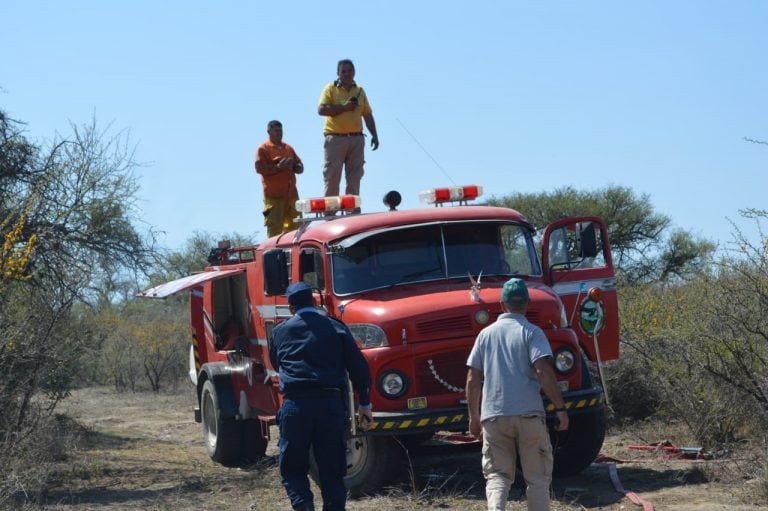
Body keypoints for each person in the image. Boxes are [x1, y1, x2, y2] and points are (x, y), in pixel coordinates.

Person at [465, 278, 569, 511]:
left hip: (494, 418)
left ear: (502, 304)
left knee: (498, 476)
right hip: (529, 416)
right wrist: (560, 409)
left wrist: (473, 417)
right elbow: (543, 371)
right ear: (527, 303)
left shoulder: (485, 335)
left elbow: (473, 380)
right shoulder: (532, 333)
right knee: (538, 478)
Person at [269, 282, 373, 511]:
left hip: (295, 405)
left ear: (290, 306)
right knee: (332, 467)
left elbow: (276, 363)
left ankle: (303, 504)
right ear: (315, 303)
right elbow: (358, 367)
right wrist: (364, 402)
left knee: (293, 466)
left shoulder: (280, 331)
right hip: (330, 405)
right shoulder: (335, 327)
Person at [318, 59, 379, 198]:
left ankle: (352, 211)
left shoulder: (360, 91)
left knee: (355, 177)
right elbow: (321, 110)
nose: (347, 74)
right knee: (332, 177)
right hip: (335, 139)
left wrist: (374, 135)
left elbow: (367, 114)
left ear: (354, 72)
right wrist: (345, 107)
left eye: (349, 71)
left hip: (356, 138)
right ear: (338, 73)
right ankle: (331, 214)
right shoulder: (330, 89)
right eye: (343, 71)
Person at [255, 120, 304, 237]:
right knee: (274, 231)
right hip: (273, 197)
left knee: (297, 229)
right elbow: (259, 168)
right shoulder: (263, 149)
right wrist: (278, 167)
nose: (279, 133)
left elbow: (300, 167)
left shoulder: (288, 148)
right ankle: (274, 253)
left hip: (291, 196)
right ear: (268, 131)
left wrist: (294, 166)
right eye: (276, 131)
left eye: (280, 130)